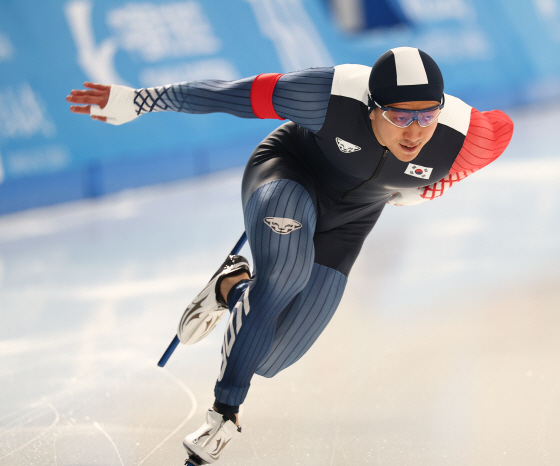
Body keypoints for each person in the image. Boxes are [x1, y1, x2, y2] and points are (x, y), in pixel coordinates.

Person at [67, 47, 513, 464]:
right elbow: (229, 95)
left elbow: (502, 133)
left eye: (426, 116)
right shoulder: (327, 95)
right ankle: (222, 415)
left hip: (352, 217)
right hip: (288, 176)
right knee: (284, 275)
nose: (414, 132)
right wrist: (139, 101)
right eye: (398, 116)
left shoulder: (467, 135)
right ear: (371, 107)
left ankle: (232, 288)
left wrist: (434, 187)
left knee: (276, 356)